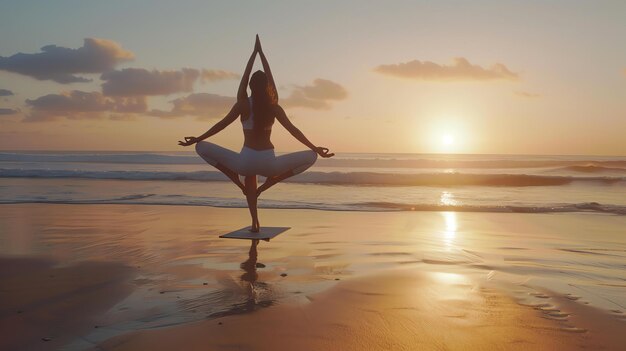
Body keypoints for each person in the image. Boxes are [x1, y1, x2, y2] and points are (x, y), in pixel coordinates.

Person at [178, 35, 334, 232]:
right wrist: (315, 148)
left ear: (250, 86)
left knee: (201, 148)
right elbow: (294, 130)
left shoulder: (243, 104)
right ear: (267, 87)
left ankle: (249, 209)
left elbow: (221, 125)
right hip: (270, 164)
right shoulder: (273, 106)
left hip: (245, 162)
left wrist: (198, 139)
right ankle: (270, 183)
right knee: (310, 157)